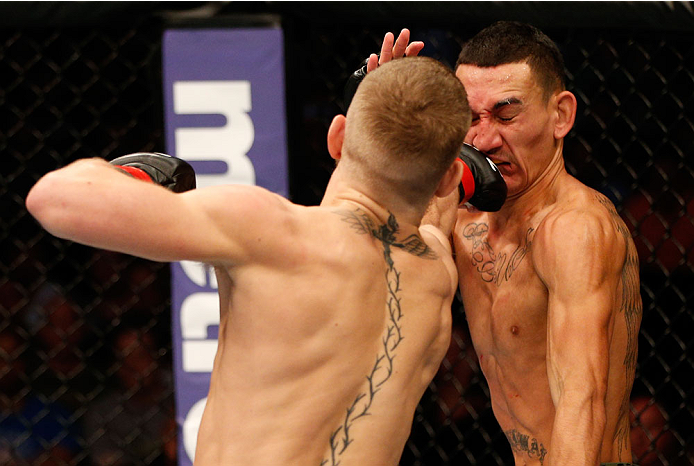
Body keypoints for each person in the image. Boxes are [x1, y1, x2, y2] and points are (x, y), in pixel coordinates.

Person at [25, 56, 504, 465]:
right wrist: (412, 116)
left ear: (337, 138)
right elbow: (436, 205)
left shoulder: (268, 230)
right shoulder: (436, 273)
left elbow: (53, 200)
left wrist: (132, 178)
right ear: (447, 179)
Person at [357, 24, 643, 465]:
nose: (485, 140)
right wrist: (380, 123)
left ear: (560, 115)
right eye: (471, 118)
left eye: (506, 116)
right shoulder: (462, 217)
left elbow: (581, 400)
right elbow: (372, 268)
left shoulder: (574, 229)